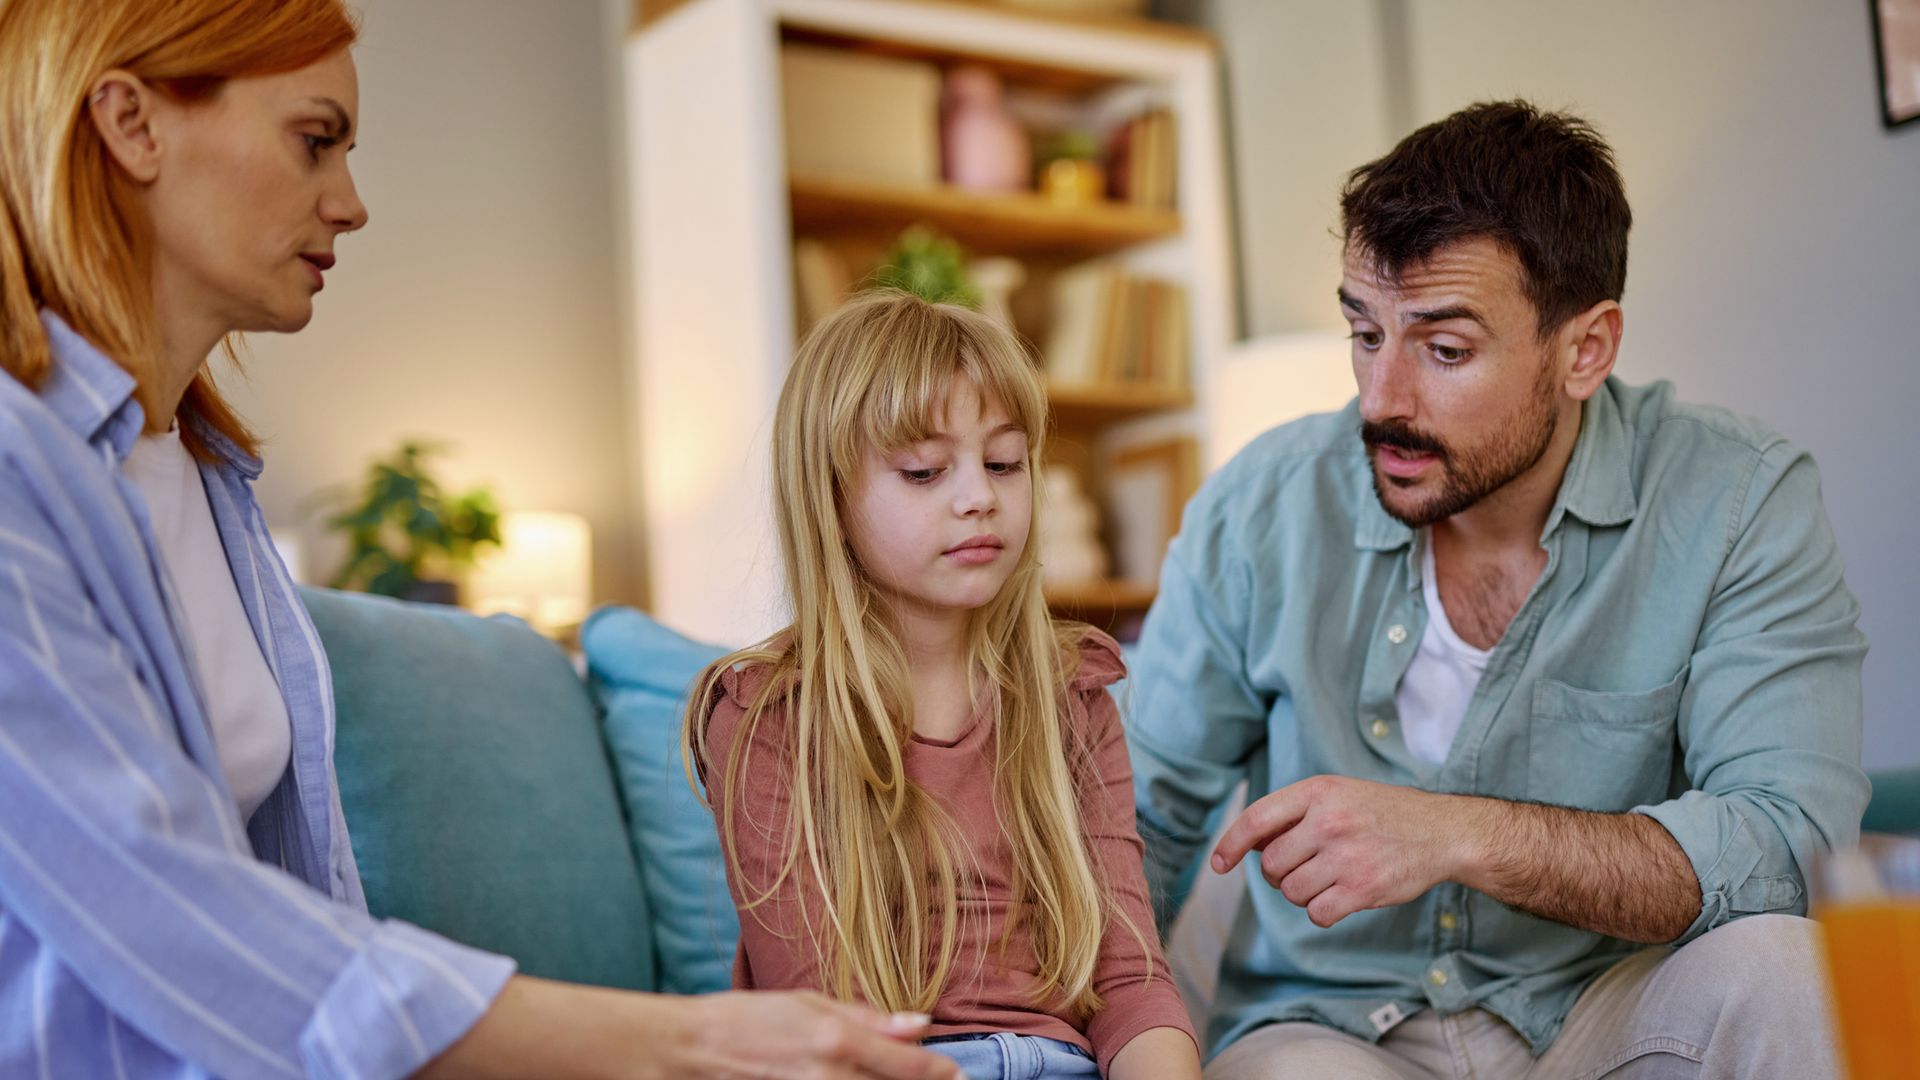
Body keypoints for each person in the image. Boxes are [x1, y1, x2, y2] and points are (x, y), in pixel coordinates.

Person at [0, 3, 963, 1077]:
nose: (352, 203)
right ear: (132, 124)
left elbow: (307, 919)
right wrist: (686, 1041)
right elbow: (175, 919)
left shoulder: (206, 478)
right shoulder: (15, 472)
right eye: (314, 140)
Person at [1126, 100, 1868, 1078]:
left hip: (1601, 1011)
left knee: (1789, 971)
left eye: (1445, 351)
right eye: (1364, 333)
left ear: (1585, 350)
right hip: (1330, 1031)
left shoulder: (1734, 499)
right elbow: (1135, 825)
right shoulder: (1261, 508)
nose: (1381, 399)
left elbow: (1789, 848)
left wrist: (1458, 834)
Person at [685, 290, 1203, 1080]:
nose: (980, 498)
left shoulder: (1073, 697)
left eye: (1004, 463)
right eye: (925, 472)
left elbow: (1131, 981)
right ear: (830, 498)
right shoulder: (765, 714)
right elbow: (822, 1021)